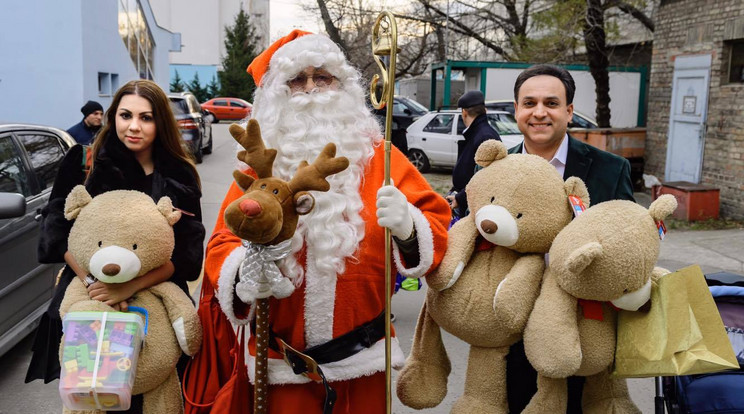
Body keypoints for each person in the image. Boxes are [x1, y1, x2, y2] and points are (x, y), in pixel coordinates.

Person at [204, 30, 450, 413]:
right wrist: (251, 266)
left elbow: (436, 226)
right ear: (277, 94)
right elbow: (222, 244)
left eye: (323, 77)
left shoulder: (381, 157)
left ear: (343, 86)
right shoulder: (258, 165)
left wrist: (408, 227)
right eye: (297, 80)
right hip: (280, 371)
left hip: (364, 367)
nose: (312, 89)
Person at [26, 80, 205, 400]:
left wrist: (129, 286)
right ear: (113, 117)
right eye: (125, 115)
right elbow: (57, 234)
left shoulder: (180, 173)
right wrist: (95, 283)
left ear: (160, 121)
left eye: (146, 118)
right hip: (90, 295)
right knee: (94, 394)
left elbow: (188, 257)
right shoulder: (84, 163)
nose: (134, 126)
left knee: (154, 390)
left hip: (156, 299)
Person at [505, 64, 635, 413]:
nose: (539, 112)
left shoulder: (610, 168)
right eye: (529, 103)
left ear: (569, 111)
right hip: (511, 331)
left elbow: (633, 239)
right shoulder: (494, 168)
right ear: (516, 110)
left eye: (551, 102)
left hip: (588, 329)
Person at [445, 90, 500, 217]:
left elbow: (487, 177)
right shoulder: (480, 133)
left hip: (473, 207)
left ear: (464, 112)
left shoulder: (484, 136)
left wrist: (460, 198)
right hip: (467, 201)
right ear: (484, 110)